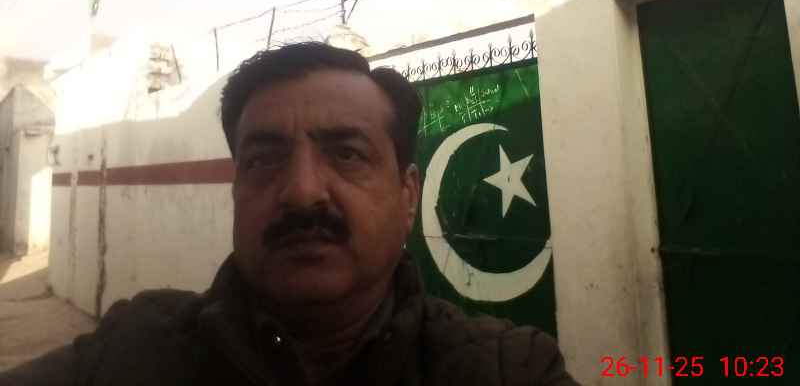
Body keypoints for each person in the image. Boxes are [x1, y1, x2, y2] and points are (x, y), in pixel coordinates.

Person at [0, 42, 581, 386]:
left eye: (347, 154)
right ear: (236, 190)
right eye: (264, 159)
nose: (302, 193)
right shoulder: (134, 353)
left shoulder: (508, 370)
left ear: (408, 195)